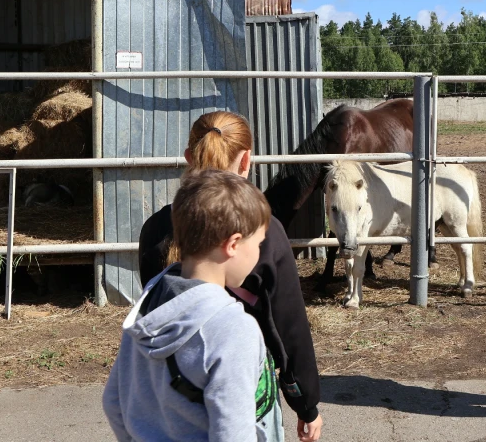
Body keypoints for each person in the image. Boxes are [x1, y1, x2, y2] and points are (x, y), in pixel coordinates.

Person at [138, 112, 324, 442]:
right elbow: (289, 326)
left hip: (171, 401)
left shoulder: (154, 230)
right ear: (247, 161)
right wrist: (305, 403)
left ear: (188, 158)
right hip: (247, 401)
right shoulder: (264, 232)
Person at [103, 169, 278, 441]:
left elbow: (113, 401)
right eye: (258, 243)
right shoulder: (234, 329)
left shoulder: (151, 302)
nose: (260, 253)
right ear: (233, 244)